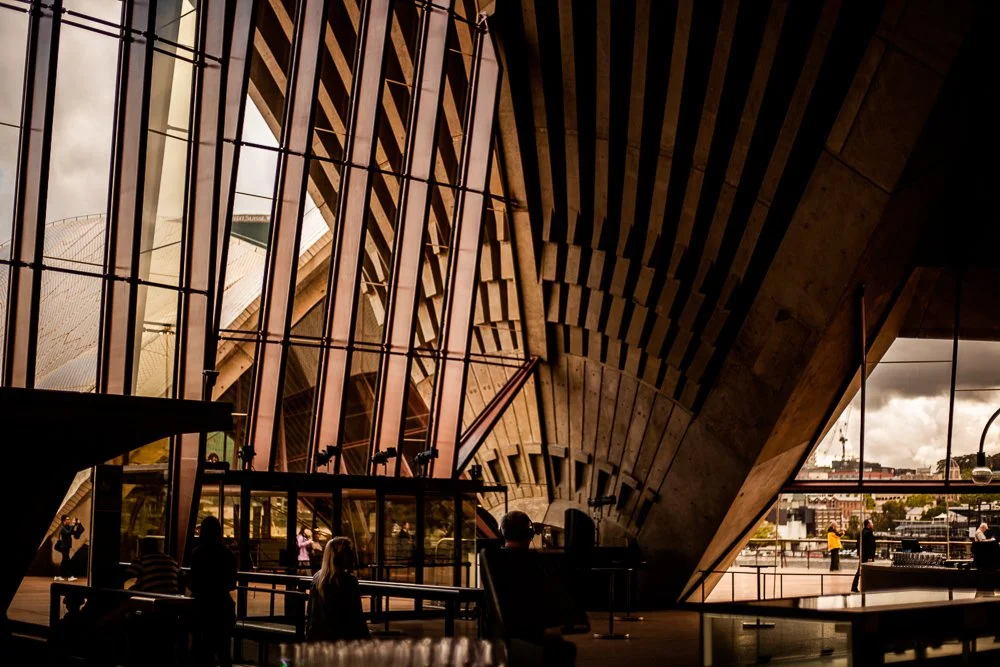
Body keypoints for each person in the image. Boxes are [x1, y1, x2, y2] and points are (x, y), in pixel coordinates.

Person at [190, 516, 237, 667]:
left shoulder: (197, 554)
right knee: (224, 652)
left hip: (202, 608)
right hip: (223, 607)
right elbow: (232, 584)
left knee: (202, 652)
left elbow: (193, 584)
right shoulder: (228, 554)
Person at [306, 537, 370, 642]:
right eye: (349, 553)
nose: (352, 557)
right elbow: (356, 616)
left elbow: (311, 613)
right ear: (341, 557)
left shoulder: (317, 578)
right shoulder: (348, 581)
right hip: (343, 638)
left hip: (319, 637)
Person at [54, 516, 84, 581]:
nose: (69, 520)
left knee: (64, 561)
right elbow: (68, 533)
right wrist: (73, 525)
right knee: (68, 562)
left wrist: (79, 523)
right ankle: (70, 576)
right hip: (63, 547)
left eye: (69, 519)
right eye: (67, 519)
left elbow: (74, 532)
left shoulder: (68, 527)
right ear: (64, 521)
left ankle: (57, 576)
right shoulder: (62, 528)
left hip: (67, 547)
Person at [851, 519, 876, 592]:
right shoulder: (869, 533)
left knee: (859, 571)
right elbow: (870, 546)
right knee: (869, 572)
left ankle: (854, 586)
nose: (873, 524)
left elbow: (857, 545)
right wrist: (870, 557)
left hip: (862, 555)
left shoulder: (861, 533)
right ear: (868, 525)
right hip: (868, 556)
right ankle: (868, 587)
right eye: (872, 523)